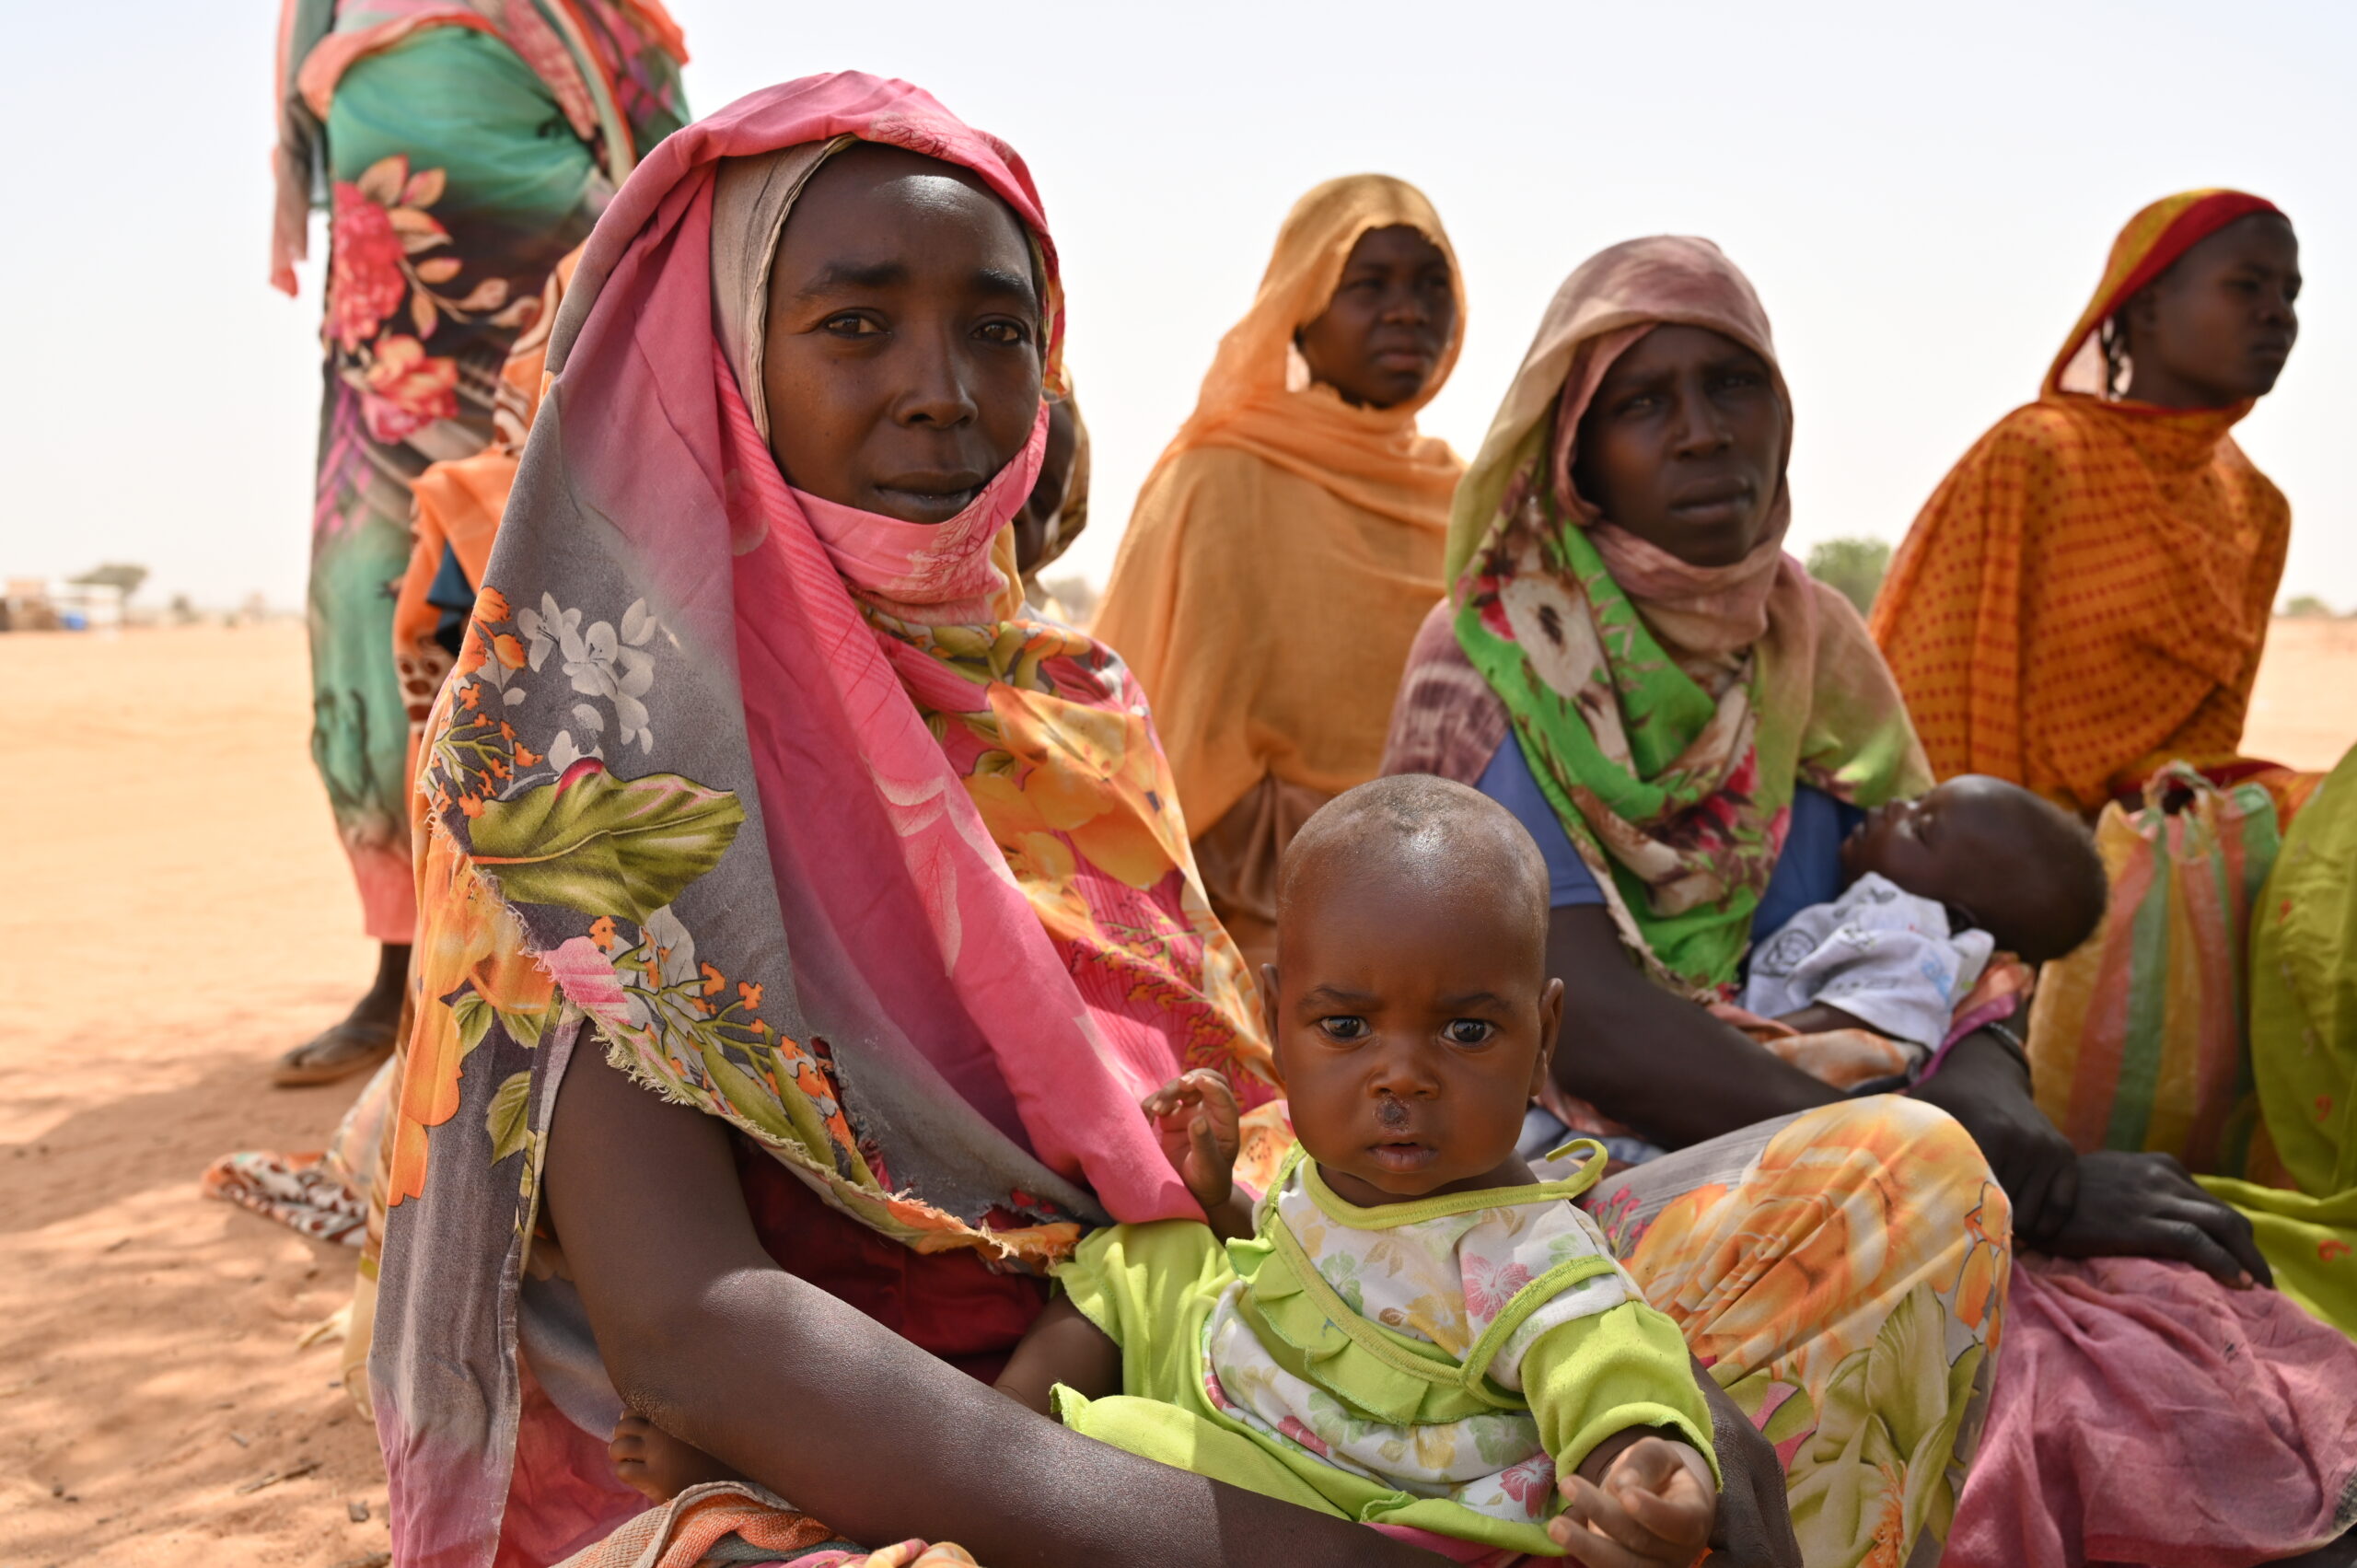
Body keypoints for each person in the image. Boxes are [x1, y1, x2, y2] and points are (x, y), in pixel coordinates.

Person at [365, 75, 1549, 1568]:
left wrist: (1578, 1326)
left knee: (1860, 1204)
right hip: (839, 1468)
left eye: (997, 329)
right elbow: (695, 1331)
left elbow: (1246, 1130)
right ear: (720, 361)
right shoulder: (585, 751)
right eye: (856, 324)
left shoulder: (1069, 704)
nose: (945, 387)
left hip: (1184, 1364)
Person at [1385, 233, 2357, 1568]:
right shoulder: (1506, 648)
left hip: (1838, 1137)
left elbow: (1943, 944)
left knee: (2189, 1331)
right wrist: (1924, 1154)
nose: (1700, 435)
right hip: (1553, 1176)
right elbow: (1564, 1010)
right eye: (1641, 403)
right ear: (1571, 448)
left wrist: (2018, 1138)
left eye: (1732, 389)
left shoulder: (1812, 643)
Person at [615, 776, 1733, 1567]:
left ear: (1545, 1033)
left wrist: (1649, 1465)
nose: (1404, 1077)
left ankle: (897, 1492)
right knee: (1141, 1251)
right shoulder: (1331, 1173)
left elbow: (1606, 1353)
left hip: (1358, 1500)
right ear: (1274, 1021)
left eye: (1467, 1034)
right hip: (1257, 1388)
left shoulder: (1523, 1253)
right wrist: (1224, 1205)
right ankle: (978, 1426)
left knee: (1113, 1442)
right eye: (1346, 1028)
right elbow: (1329, 1274)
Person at [267, 0, 689, 1086]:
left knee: (553, 625)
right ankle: (404, 966)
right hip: (384, 352)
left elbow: (674, 169)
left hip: (546, 329)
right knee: (368, 617)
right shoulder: (317, 9)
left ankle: (593, 974)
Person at [1091, 176, 1465, 970]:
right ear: (1301, 308)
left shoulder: (1467, 501)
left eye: (1433, 286)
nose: (1409, 310)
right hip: (1257, 931)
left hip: (1460, 906)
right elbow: (1174, 743)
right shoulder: (1219, 476)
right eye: (1368, 286)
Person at [1870, 190, 2301, 815]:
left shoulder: (2258, 511)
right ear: (2148, 304)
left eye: (2290, 293)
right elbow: (1936, 682)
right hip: (1999, 833)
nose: (2277, 314)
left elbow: (2207, 747)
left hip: (2158, 836)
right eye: (2247, 286)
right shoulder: (2041, 454)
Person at [1739, 775, 2107, 1057]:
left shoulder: (1919, 948)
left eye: (1919, 827)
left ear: (1955, 918)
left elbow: (1848, 1022)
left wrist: (1727, 1040)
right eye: (1917, 801)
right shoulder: (1881, 909)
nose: (1896, 806)